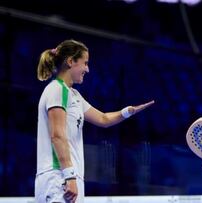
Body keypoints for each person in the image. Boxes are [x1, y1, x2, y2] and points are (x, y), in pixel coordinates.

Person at [35, 39, 154, 203]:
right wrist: (69, 176)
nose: (87, 69)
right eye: (85, 63)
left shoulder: (74, 95)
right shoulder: (56, 89)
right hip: (58, 177)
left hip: (68, 178)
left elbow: (103, 119)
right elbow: (57, 135)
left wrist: (128, 111)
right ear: (70, 62)